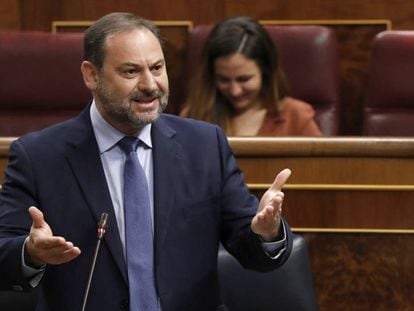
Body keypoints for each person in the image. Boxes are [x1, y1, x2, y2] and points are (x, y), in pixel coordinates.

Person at [0, 12, 293, 311]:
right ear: (91, 75)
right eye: (130, 72)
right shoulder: (39, 156)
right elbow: (3, 250)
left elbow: (251, 249)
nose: (150, 84)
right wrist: (30, 252)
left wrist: (267, 232)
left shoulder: (204, 146)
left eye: (157, 68)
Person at [180, 16, 322, 136]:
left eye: (244, 79)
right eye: (223, 79)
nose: (235, 91)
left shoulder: (296, 117)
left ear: (265, 71)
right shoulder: (193, 117)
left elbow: (320, 167)